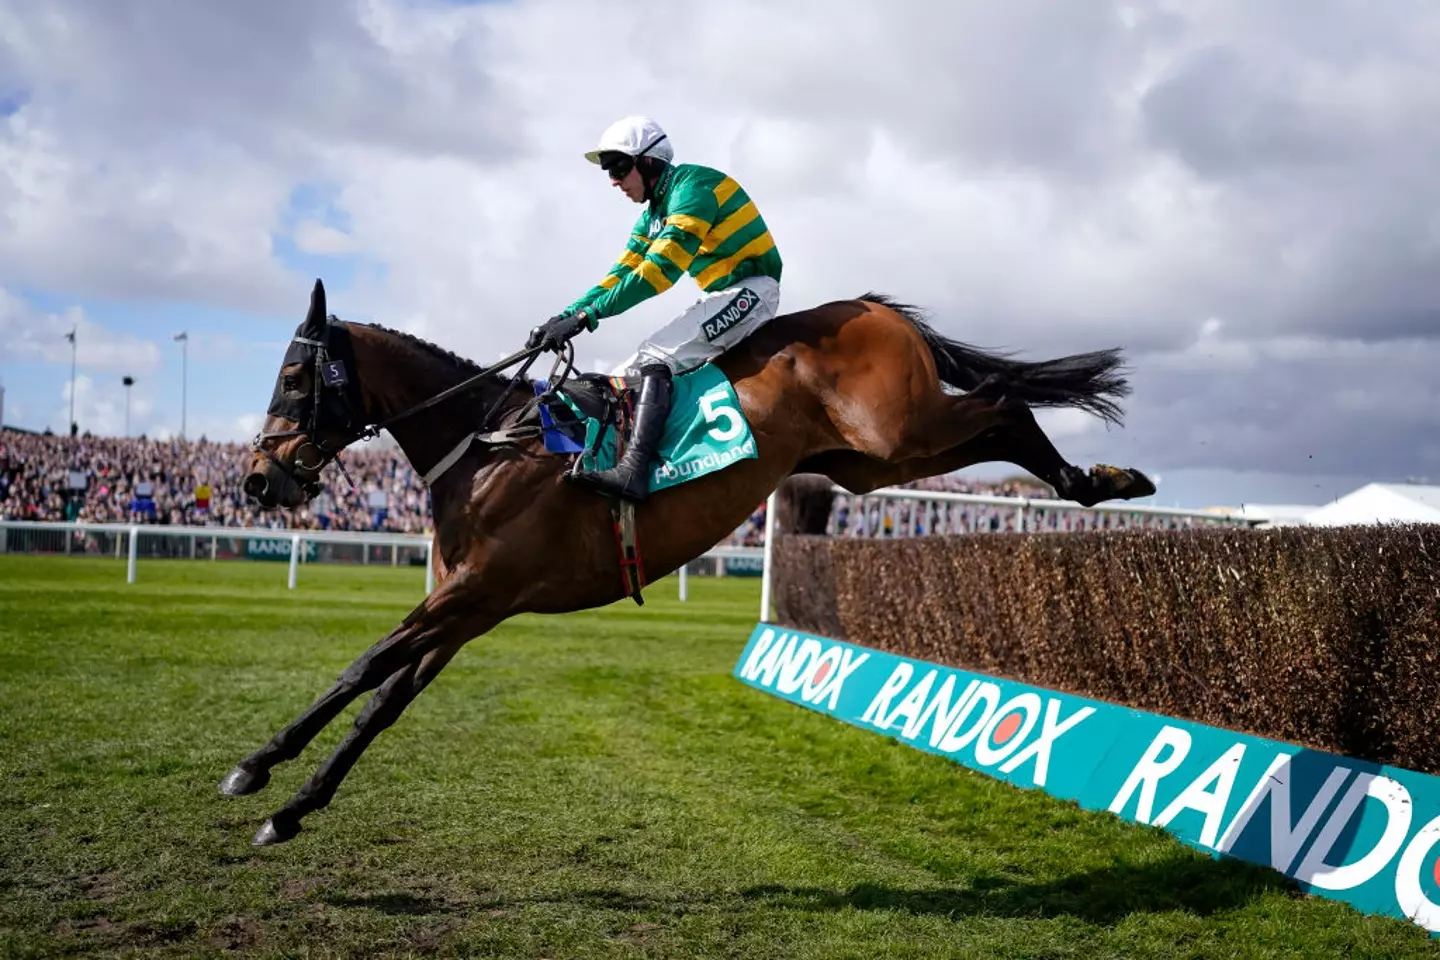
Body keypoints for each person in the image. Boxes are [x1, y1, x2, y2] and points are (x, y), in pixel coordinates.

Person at [527, 116, 783, 501]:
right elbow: (619, 274)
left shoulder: (693, 188)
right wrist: (564, 316)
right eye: (608, 171)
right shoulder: (651, 217)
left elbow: (658, 272)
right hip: (723, 294)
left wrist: (586, 317)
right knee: (623, 373)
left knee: (655, 356)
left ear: (648, 162)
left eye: (618, 167)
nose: (613, 180)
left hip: (752, 290)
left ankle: (635, 471)